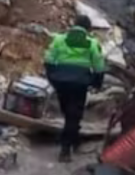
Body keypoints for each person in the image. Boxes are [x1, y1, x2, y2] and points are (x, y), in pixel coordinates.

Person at [44, 16, 105, 162]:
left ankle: (73, 137)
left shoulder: (59, 39)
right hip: (80, 83)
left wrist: (52, 78)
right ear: (88, 29)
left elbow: (49, 59)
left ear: (74, 25)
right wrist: (96, 83)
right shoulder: (92, 43)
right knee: (74, 114)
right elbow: (99, 65)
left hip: (61, 81)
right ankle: (65, 149)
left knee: (68, 111)